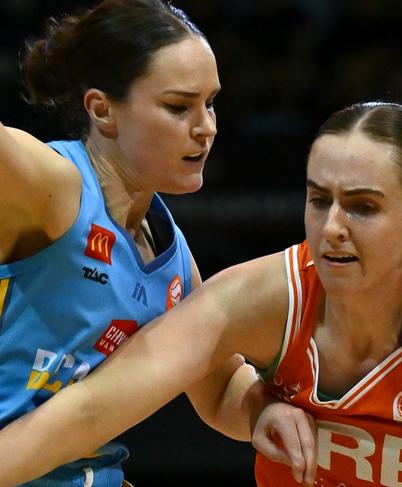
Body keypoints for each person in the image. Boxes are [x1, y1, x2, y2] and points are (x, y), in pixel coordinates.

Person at [1, 102, 402, 486]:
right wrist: (259, 413)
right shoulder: (261, 299)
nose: (332, 227)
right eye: (319, 200)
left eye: (363, 207)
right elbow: (90, 412)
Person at [0, 1, 278, 485]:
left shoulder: (171, 256)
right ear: (103, 110)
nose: (206, 127)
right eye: (178, 106)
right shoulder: (51, 185)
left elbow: (221, 388)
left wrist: (277, 413)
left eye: (209, 103)